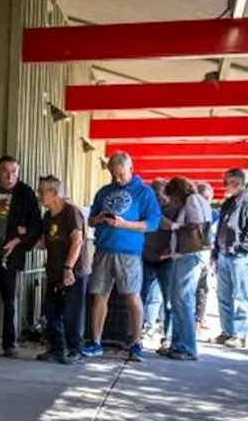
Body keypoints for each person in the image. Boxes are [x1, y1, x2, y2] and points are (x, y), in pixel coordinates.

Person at [81, 152, 161, 362]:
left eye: (121, 175)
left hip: (129, 252)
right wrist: (98, 219)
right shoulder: (104, 192)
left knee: (132, 296)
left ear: (131, 170)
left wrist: (124, 224)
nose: (117, 180)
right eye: (113, 175)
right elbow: (89, 221)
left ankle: (136, 343)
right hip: (104, 248)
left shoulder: (144, 193)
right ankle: (95, 341)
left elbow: (152, 223)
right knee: (99, 294)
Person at [0, 156, 41, 357]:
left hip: (11, 253)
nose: (9, 175)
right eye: (5, 170)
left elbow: (36, 225)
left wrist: (18, 240)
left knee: (9, 298)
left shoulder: (25, 193)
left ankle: (9, 343)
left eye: (14, 171)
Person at [33, 176, 88, 364]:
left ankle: (76, 349)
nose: (39, 195)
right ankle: (57, 349)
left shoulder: (71, 213)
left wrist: (68, 268)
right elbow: (42, 242)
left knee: (72, 313)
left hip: (73, 270)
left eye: (42, 192)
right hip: (53, 270)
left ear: (54, 193)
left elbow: (77, 241)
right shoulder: (48, 216)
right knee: (51, 312)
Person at [159, 176, 213, 361]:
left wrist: (172, 225)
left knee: (182, 301)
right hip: (187, 255)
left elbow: (195, 226)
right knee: (179, 301)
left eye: (172, 196)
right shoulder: (199, 200)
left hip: (189, 256)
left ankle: (186, 347)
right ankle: (178, 344)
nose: (172, 201)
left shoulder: (192, 200)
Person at [213, 168, 248, 349]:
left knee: (241, 296)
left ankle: (240, 334)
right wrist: (215, 252)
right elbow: (220, 229)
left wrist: (242, 249)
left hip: (240, 256)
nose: (223, 186)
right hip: (224, 254)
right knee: (223, 296)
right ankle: (227, 331)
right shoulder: (228, 203)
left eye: (225, 182)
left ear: (236, 182)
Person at [140, 178, 176, 349]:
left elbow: (175, 229)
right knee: (141, 297)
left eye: (160, 196)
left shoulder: (173, 210)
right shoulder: (146, 209)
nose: (158, 200)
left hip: (166, 260)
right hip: (146, 257)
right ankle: (137, 333)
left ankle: (168, 337)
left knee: (168, 300)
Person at [194, 182, 216, 332]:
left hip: (207, 257)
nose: (207, 202)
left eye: (209, 199)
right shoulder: (191, 212)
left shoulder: (215, 215)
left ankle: (198, 321)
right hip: (193, 255)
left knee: (203, 289)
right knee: (191, 290)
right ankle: (192, 322)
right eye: (204, 198)